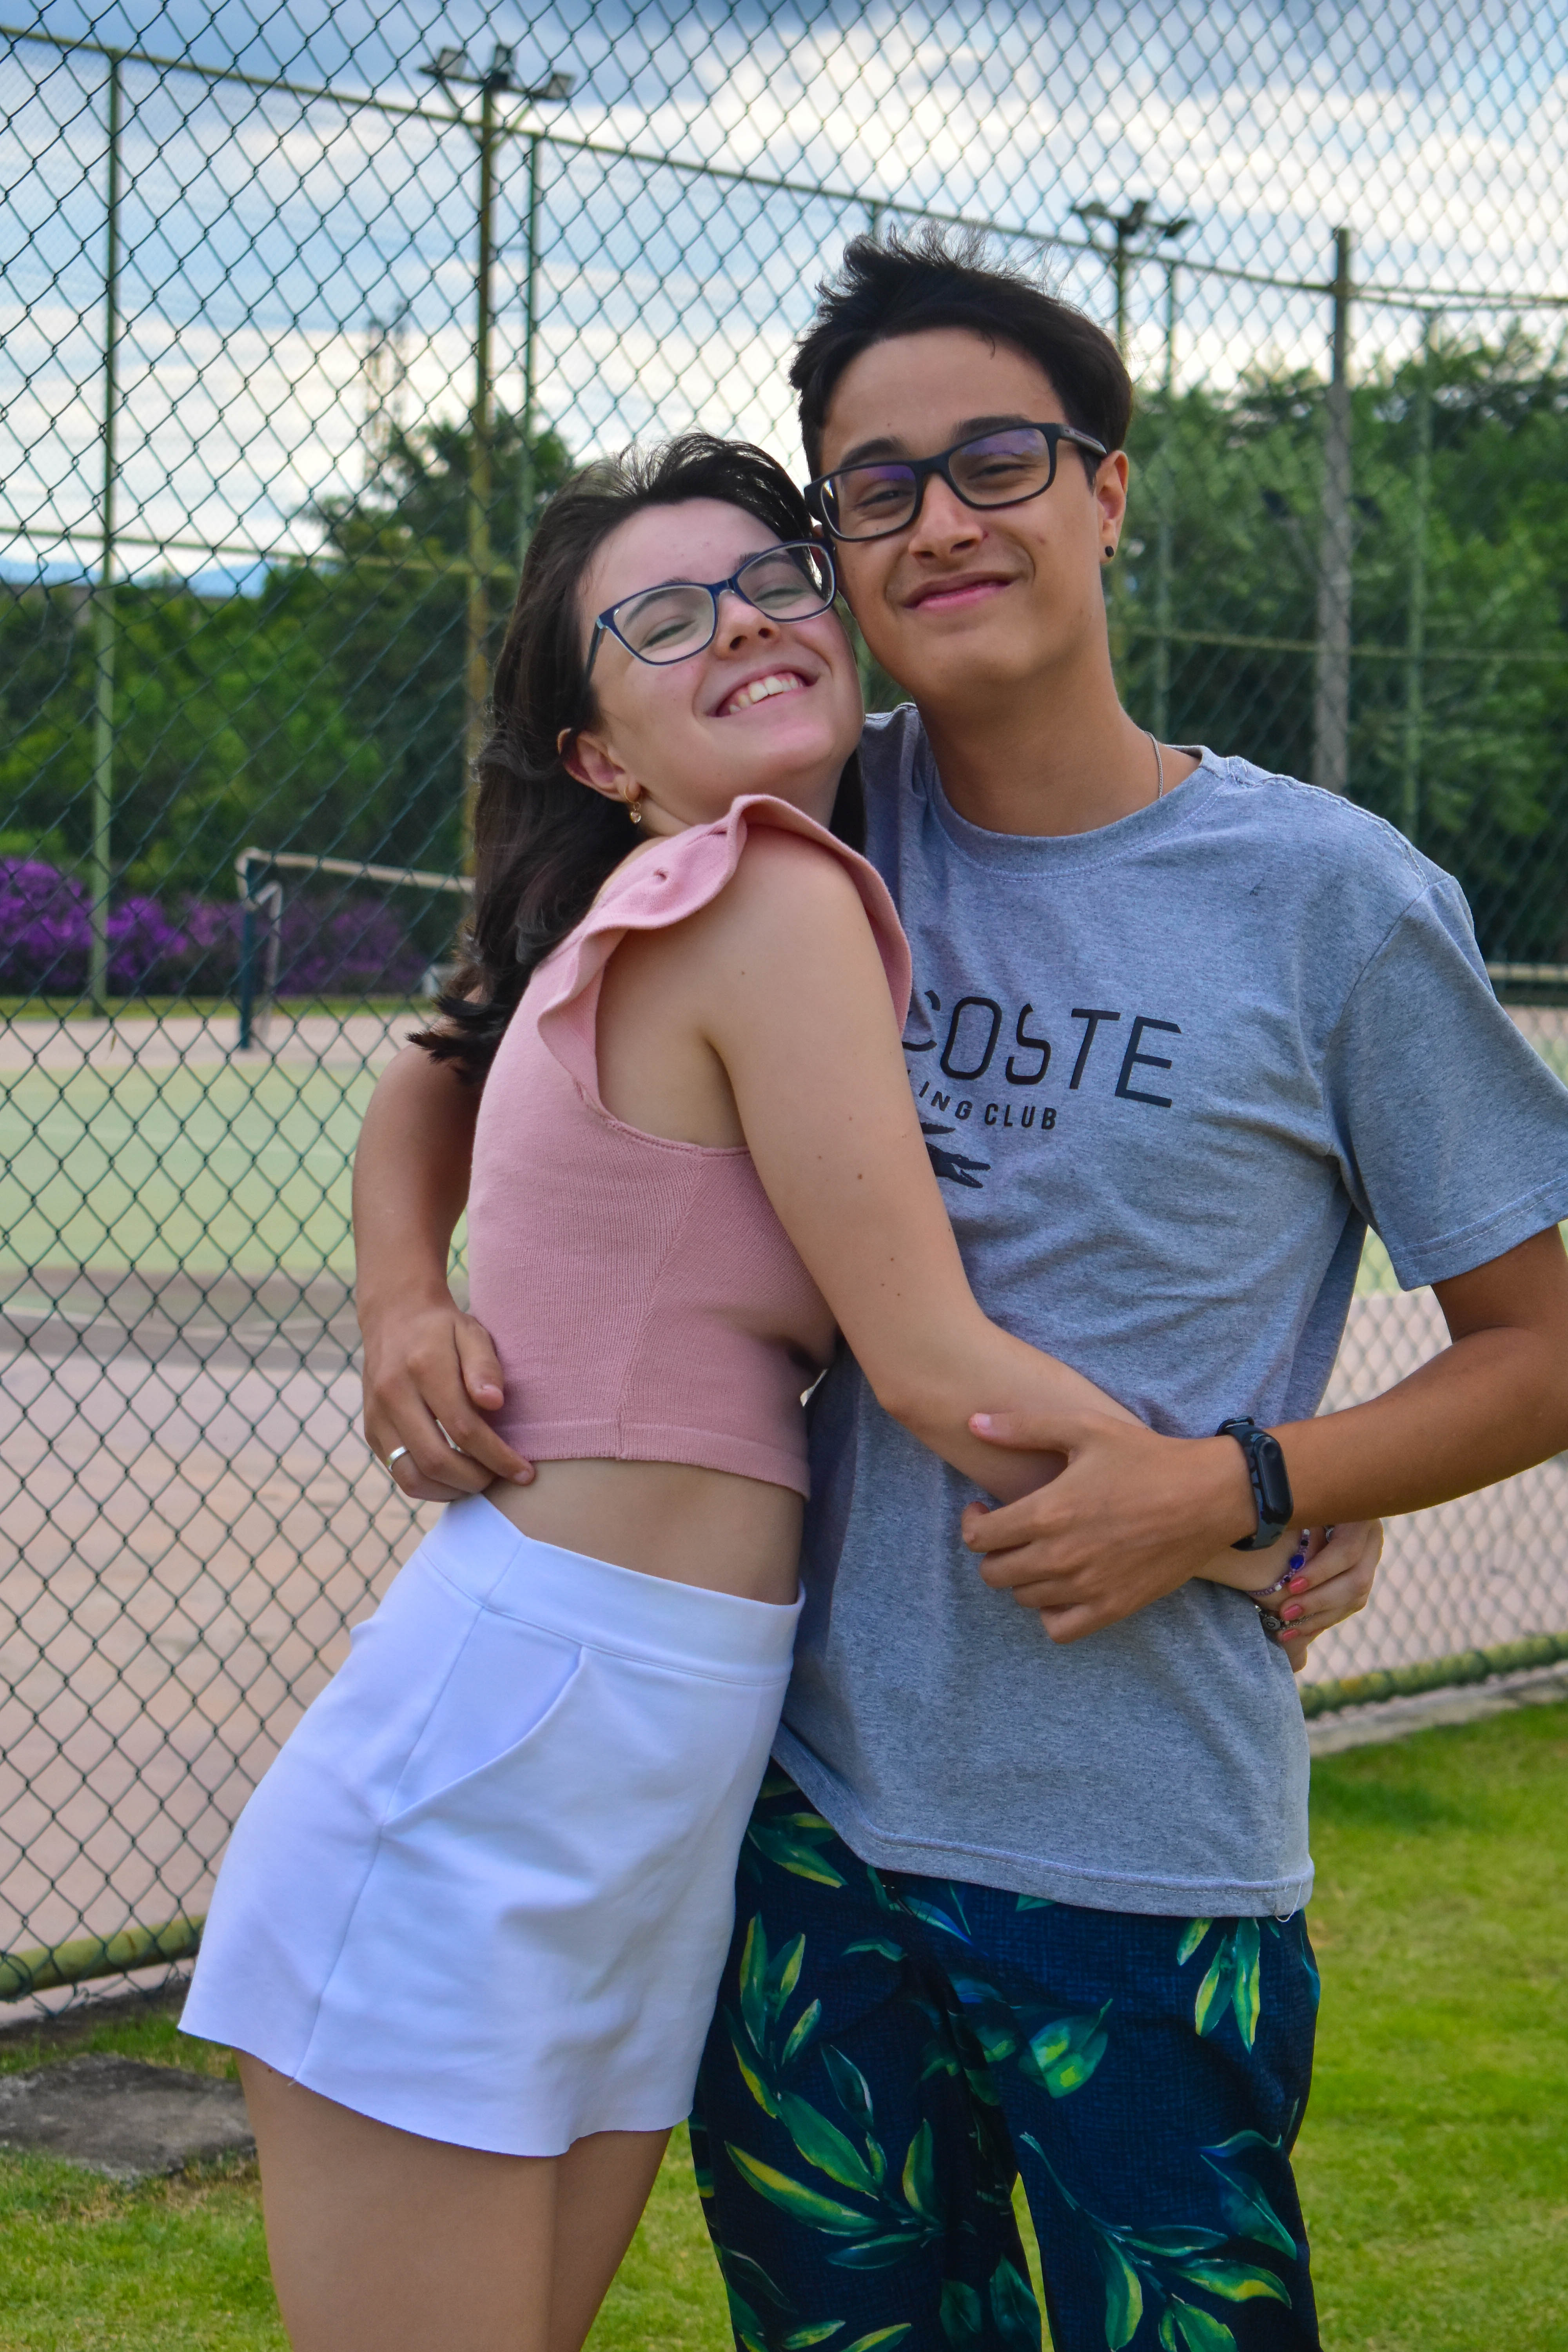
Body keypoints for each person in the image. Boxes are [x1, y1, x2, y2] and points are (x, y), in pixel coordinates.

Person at [353, 232, 1568, 2351]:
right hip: (805, 1824)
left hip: (1143, 1846)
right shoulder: (795, 810)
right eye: (874, 489)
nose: (938, 522)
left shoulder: (1332, 903)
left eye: (995, 462)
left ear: (1107, 492)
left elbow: (1539, 1349)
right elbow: (458, 1047)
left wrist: (1257, 1482)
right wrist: (398, 1299)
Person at [182, 435, 1316, 2352]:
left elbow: (434, 1065)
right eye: (661, 619)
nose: (741, 624)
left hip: (655, 1773)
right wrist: (1248, 1508)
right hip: (510, 1755)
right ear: (597, 756)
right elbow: (931, 1366)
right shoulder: (763, 888)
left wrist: (402, 1285)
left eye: (772, 581)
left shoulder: (705, 886)